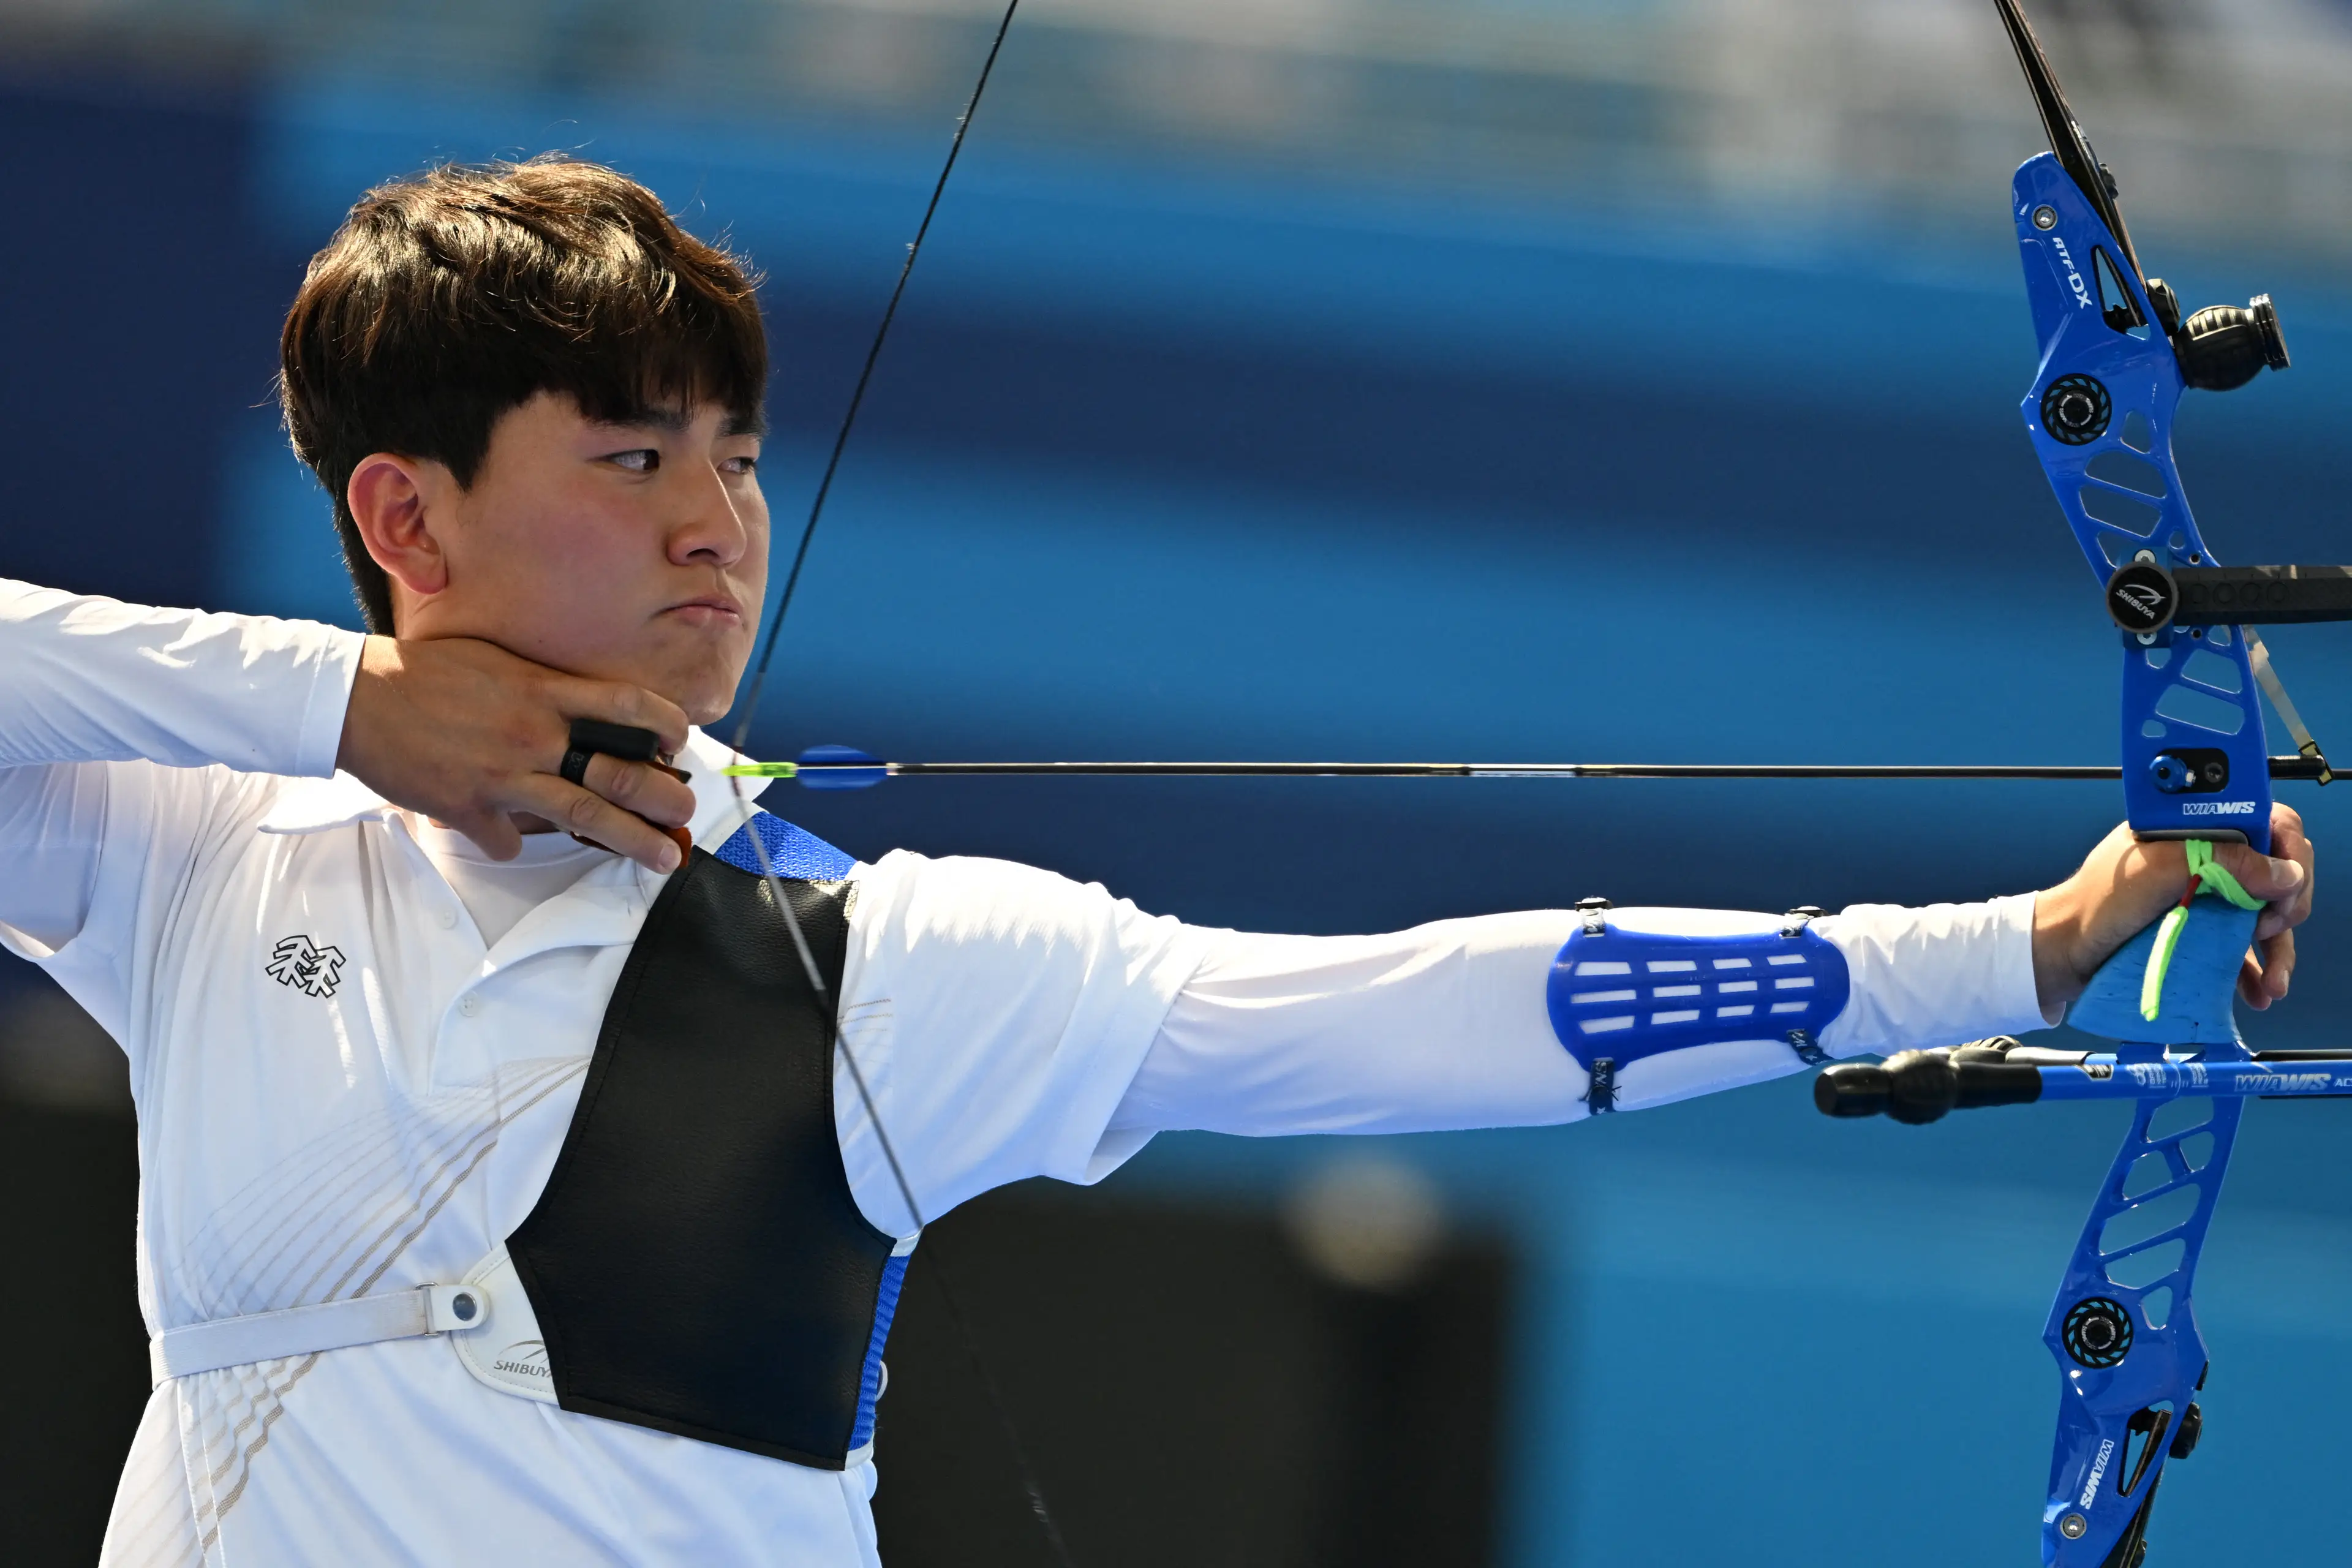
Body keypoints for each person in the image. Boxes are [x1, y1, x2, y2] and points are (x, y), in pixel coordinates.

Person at [0, 156, 2313, 1568]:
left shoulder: (872, 965)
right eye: (628, 457)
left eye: (734, 451)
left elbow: (1423, 1019)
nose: (717, 521)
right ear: (403, 515)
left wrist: (2023, 936)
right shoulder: (208, 858)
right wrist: (349, 705)